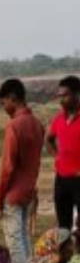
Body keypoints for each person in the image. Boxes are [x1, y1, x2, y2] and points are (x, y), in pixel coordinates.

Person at [0, 78, 44, 263]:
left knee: (15, 242)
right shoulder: (37, 124)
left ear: (12, 98)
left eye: (4, 103)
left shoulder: (14, 125)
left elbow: (7, 167)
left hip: (13, 193)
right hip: (28, 189)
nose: (4, 108)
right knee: (24, 237)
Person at [47, 76, 80, 229]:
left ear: (77, 94)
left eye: (65, 95)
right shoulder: (59, 118)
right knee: (63, 227)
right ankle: (65, 245)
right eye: (59, 96)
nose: (61, 100)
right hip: (62, 179)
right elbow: (49, 139)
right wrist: (57, 157)